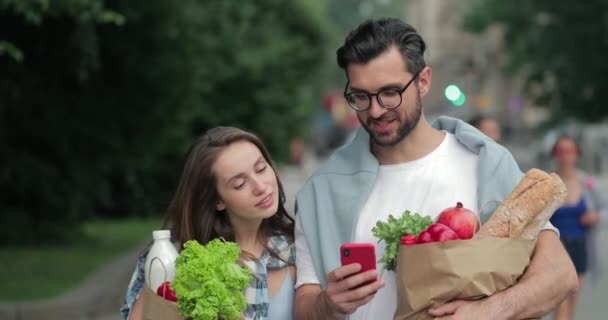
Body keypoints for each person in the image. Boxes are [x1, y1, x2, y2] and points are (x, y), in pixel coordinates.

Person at [293, 18, 578, 320]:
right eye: (361, 96)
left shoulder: (485, 164)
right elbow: (303, 309)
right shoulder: (321, 191)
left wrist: (486, 312)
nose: (376, 110)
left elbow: (560, 274)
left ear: (423, 81)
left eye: (390, 93)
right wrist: (328, 304)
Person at [121, 127, 296, 320]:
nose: (261, 187)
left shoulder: (296, 248)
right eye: (239, 184)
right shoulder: (170, 257)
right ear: (217, 201)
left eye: (261, 169)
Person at [550, 136, 602, 320]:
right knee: (561, 300)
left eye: (570, 151)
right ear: (555, 155)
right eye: (561, 151)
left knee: (572, 298)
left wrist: (595, 216)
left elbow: (603, 207)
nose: (565, 156)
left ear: (577, 154)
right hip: (556, 247)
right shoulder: (548, 182)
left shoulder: (586, 182)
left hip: (580, 244)